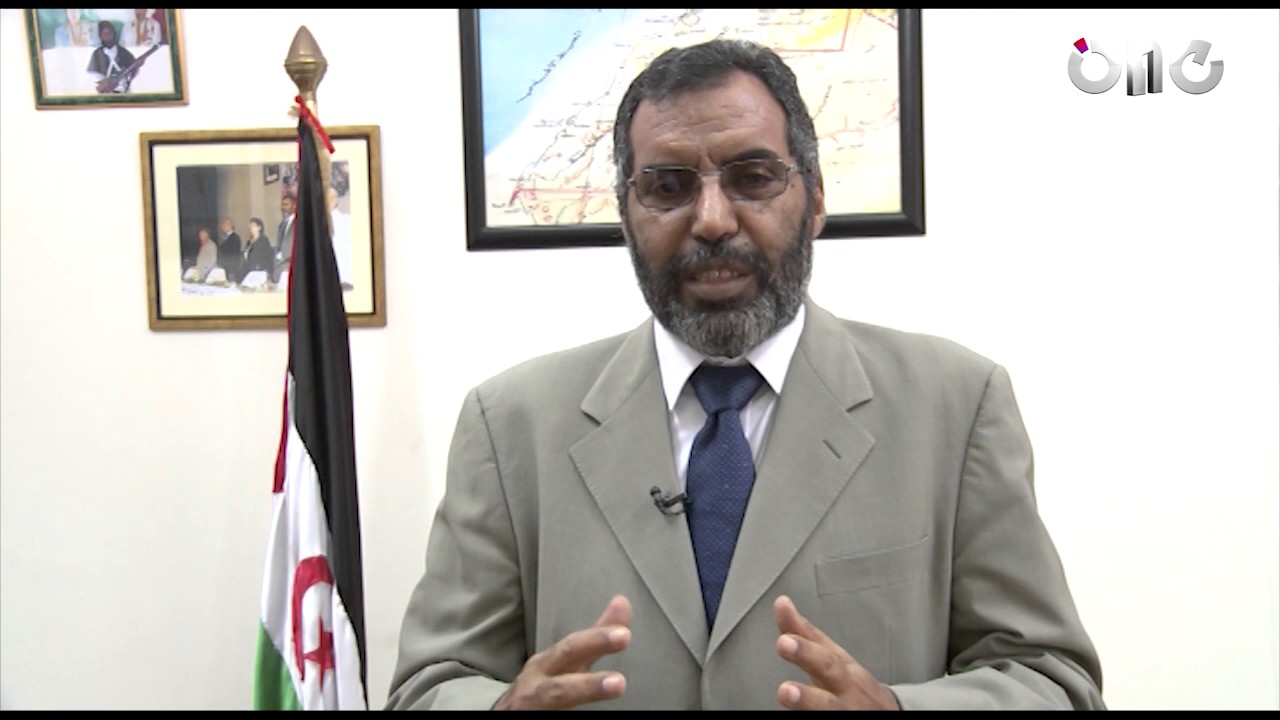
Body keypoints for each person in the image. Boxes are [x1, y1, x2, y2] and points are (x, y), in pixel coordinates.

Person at [386, 39, 1106, 711]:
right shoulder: (510, 426)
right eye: (667, 186)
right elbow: (428, 685)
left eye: (753, 178)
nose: (711, 219)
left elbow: (1053, 681)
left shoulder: (955, 405)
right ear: (626, 216)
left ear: (815, 198)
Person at [86, 20, 140, 94]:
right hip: (105, 93)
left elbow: (133, 68)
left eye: (109, 33)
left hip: (122, 92)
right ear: (100, 36)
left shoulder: (124, 52)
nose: (106, 36)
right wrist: (105, 82)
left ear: (113, 34)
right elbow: (92, 72)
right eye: (104, 33)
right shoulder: (97, 53)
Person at [237, 217, 275, 288]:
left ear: (259, 228)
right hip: (247, 269)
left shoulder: (263, 240)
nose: (250, 227)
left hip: (258, 271)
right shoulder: (249, 242)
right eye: (250, 225)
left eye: (253, 225)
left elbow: (267, 257)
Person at [272, 194, 296, 284]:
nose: (283, 208)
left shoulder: (299, 223)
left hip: (291, 266)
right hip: (279, 268)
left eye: (286, 205)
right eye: (282, 205)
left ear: (294, 206)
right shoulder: (281, 225)